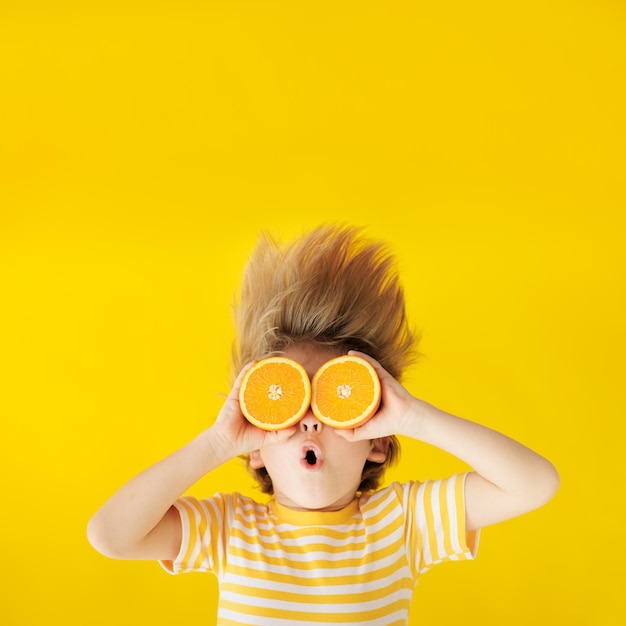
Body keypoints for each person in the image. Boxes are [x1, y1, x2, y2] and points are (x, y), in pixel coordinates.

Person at [87, 223, 559, 625]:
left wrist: (415, 417)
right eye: (288, 406)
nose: (310, 421)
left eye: (336, 401)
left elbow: (535, 484)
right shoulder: (230, 528)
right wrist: (215, 444)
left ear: (375, 442)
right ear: (255, 448)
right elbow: (110, 535)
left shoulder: (402, 523)